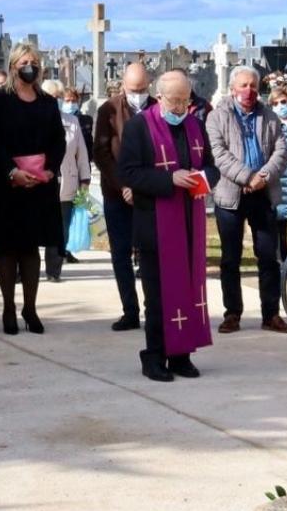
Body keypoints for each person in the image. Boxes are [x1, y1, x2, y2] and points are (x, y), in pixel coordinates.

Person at [118, 70, 213, 382]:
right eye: (174, 101)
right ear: (159, 97)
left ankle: (181, 355)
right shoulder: (138, 126)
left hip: (190, 221)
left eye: (186, 101)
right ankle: (154, 356)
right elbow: (130, 173)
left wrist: (202, 179)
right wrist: (168, 179)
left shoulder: (195, 125)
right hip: (155, 224)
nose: (180, 108)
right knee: (158, 294)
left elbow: (211, 166)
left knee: (187, 289)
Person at [0, 44, 64, 336]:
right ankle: (8, 307)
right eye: (25, 61)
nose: (31, 66)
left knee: (30, 248)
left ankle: (30, 307)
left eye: (35, 62)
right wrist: (11, 171)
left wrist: (50, 168)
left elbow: (58, 140)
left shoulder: (47, 102)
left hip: (39, 185)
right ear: (14, 65)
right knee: (6, 248)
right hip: (5, 185)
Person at [207, 66, 287, 334]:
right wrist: (246, 177)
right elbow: (218, 154)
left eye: (253, 86)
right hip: (231, 196)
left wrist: (263, 177)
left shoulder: (269, 116)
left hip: (263, 194)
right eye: (243, 85)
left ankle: (271, 314)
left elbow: (282, 150)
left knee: (269, 256)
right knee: (230, 258)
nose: (248, 91)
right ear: (233, 89)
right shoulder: (216, 117)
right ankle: (232, 313)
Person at [92, 62, 153, 331]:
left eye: (142, 89)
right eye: (132, 89)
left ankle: (154, 307)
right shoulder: (109, 109)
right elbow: (102, 152)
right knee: (121, 253)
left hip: (150, 192)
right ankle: (130, 309)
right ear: (123, 85)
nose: (137, 94)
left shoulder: (157, 108)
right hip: (118, 194)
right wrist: (123, 185)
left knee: (151, 252)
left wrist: (143, 185)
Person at [40, 81, 91, 283]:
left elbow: (81, 153)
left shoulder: (72, 122)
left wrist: (84, 179)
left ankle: (54, 269)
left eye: (58, 96)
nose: (56, 100)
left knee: (61, 227)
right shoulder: (33, 119)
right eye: (51, 96)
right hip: (39, 181)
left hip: (66, 182)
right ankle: (23, 269)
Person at [268, 85, 287, 271]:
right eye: (276, 103)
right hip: (278, 182)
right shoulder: (271, 125)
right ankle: (282, 262)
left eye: (284, 102)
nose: (281, 106)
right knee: (279, 225)